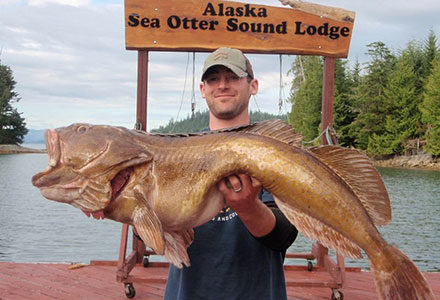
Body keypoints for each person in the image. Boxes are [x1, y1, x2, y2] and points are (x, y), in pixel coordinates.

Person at [164, 47, 298, 300]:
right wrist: (118, 205)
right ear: (203, 90)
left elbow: (285, 235)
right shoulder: (175, 153)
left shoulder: (275, 152)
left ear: (253, 85)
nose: (222, 85)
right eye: (213, 79)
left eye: (233, 77)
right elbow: (154, 233)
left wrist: (249, 207)